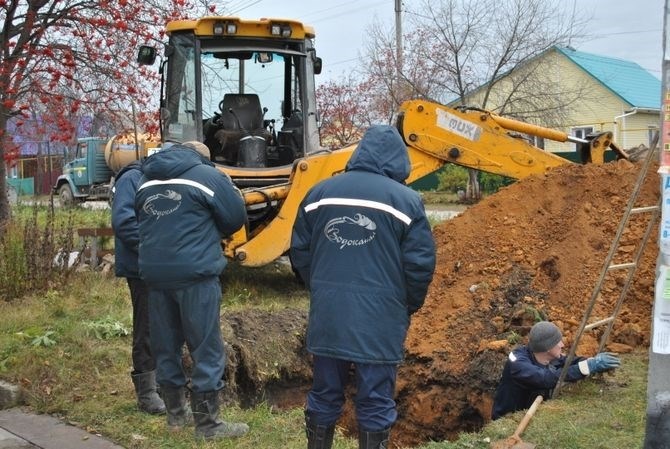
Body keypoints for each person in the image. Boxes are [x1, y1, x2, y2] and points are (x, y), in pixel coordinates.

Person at [290, 125, 436, 449]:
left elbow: (300, 251)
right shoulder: (407, 202)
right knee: (375, 400)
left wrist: (321, 288)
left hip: (330, 315)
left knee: (325, 392)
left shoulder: (319, 194)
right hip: (380, 319)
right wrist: (405, 304)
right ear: (399, 160)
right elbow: (420, 265)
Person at [135, 141, 248, 440]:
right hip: (195, 274)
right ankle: (208, 425)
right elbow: (235, 217)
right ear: (202, 158)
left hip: (155, 275)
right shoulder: (207, 177)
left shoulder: (145, 180)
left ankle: (175, 416)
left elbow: (140, 221)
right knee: (205, 347)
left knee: (165, 344)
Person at [111, 160, 166, 415]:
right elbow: (124, 223)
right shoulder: (131, 179)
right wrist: (154, 250)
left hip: (163, 265)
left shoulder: (161, 179)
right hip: (141, 266)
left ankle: (163, 384)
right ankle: (146, 392)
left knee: (166, 326)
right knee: (146, 327)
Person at [491, 321, 621, 420]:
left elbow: (569, 361)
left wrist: (592, 362)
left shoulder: (547, 356)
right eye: (558, 342)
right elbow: (544, 378)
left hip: (532, 413)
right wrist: (587, 367)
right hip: (508, 418)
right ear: (547, 347)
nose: (562, 345)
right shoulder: (517, 362)